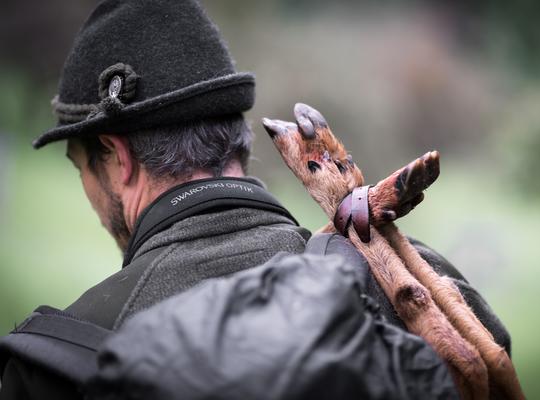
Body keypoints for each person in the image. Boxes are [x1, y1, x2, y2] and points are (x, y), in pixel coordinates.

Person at [0, 1, 511, 399]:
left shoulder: (51, 365)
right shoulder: (432, 297)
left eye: (81, 166)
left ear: (117, 156)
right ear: (236, 135)